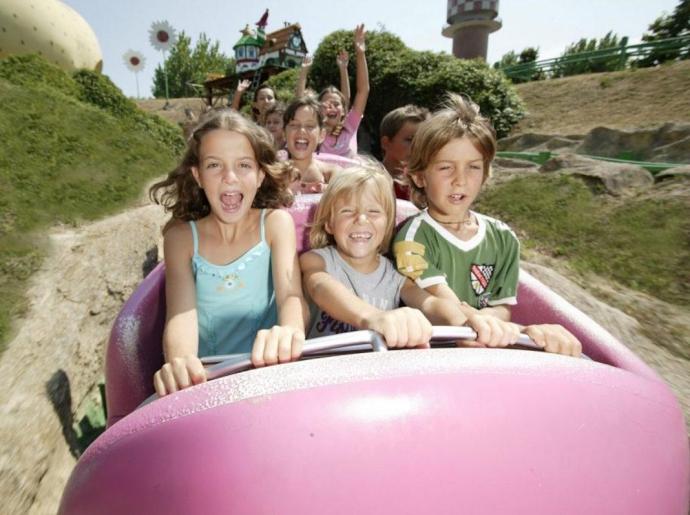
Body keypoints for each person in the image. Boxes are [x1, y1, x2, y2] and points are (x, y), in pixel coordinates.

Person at [393, 93, 582, 357]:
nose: (461, 180)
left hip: (486, 352)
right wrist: (522, 330)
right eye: (446, 167)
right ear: (419, 177)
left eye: (473, 167)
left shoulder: (503, 238)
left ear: (486, 173)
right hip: (432, 354)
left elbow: (501, 307)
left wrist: (495, 326)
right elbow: (438, 300)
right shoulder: (413, 237)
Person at [149, 109, 308, 396]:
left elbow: (290, 296)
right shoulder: (181, 239)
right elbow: (181, 316)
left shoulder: (275, 225)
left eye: (244, 165)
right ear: (198, 176)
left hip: (271, 372)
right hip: (209, 381)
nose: (230, 177)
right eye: (214, 166)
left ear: (260, 175)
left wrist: (290, 332)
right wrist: (181, 363)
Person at [300, 161, 498, 348]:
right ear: (329, 224)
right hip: (325, 368)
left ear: (387, 224)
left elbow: (430, 304)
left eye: (373, 212)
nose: (361, 219)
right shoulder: (317, 261)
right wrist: (373, 317)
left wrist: (463, 324)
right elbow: (320, 287)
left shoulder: (396, 276)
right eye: (347, 211)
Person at [298, 24, 369, 158]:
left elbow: (363, 90)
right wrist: (303, 72)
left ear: (343, 111)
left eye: (336, 104)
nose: (332, 107)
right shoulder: (315, 132)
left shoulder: (350, 126)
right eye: (327, 104)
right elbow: (299, 103)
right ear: (318, 109)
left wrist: (360, 54)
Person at [284, 96, 341, 194]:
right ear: (284, 133)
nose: (301, 130)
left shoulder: (331, 174)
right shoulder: (273, 176)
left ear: (322, 135)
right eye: (294, 125)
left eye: (309, 126)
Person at [379, 104, 430, 200]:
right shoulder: (369, 182)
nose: (418, 146)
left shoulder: (427, 186)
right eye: (410, 140)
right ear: (386, 143)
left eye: (423, 140)